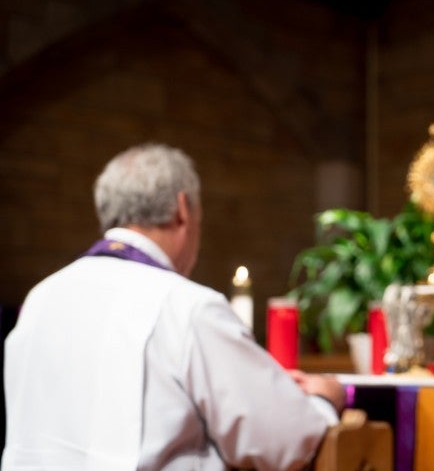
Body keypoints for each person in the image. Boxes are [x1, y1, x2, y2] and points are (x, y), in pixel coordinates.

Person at [2, 143, 347, 471]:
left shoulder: (41, 299)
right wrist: (324, 402)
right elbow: (281, 438)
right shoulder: (186, 307)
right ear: (183, 210)